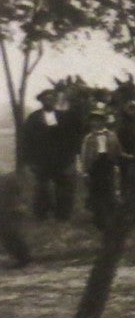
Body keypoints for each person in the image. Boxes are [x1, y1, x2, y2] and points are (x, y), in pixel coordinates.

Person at [20, 88, 78, 221]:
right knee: (42, 189)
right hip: (41, 160)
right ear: (41, 101)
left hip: (60, 160)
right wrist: (30, 161)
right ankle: (41, 215)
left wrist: (70, 158)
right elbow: (27, 141)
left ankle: (62, 215)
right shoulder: (34, 118)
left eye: (52, 98)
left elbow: (70, 138)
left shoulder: (63, 117)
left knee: (63, 189)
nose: (49, 101)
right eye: (46, 99)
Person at [79, 105, 128, 229]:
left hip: (108, 164)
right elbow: (84, 155)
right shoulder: (88, 138)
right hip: (95, 166)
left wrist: (128, 157)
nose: (95, 122)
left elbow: (118, 151)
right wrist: (84, 171)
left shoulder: (111, 135)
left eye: (99, 120)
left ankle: (110, 219)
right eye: (93, 120)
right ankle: (99, 220)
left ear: (103, 121)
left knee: (110, 191)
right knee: (96, 193)